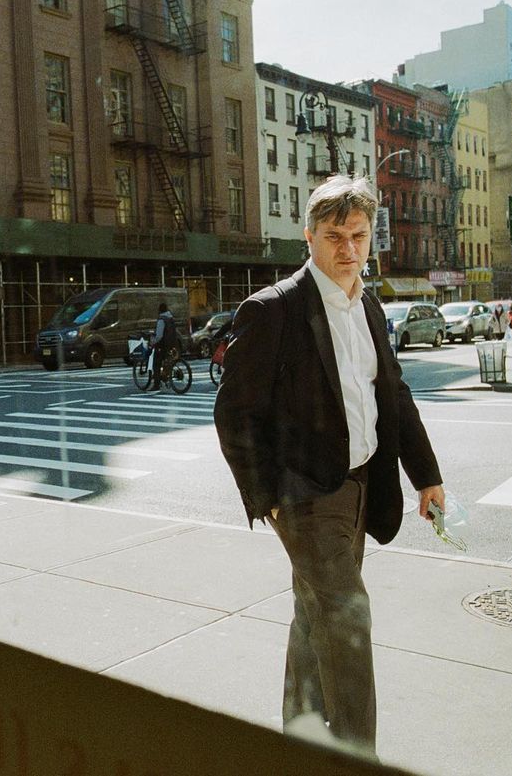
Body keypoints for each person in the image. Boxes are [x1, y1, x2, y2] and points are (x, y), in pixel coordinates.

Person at [213, 174, 445, 754]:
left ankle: (302, 737)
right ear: (309, 236)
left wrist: (427, 475)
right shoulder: (273, 309)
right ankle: (358, 756)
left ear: (370, 238)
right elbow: (235, 412)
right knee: (347, 617)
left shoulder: (369, 305)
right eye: (335, 236)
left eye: (358, 236)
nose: (348, 249)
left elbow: (393, 394)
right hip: (305, 495)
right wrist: (267, 498)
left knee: (314, 614)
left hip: (361, 484)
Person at [149, 302, 179, 391]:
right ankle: (165, 376)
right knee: (168, 360)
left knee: (156, 364)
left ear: (159, 310)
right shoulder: (170, 318)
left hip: (162, 345)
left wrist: (152, 342)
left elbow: (159, 336)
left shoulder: (161, 320)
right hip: (172, 343)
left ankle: (156, 384)